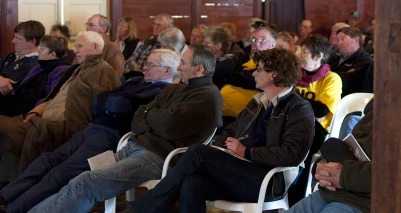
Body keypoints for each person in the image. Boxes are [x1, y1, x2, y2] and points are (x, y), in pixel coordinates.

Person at [28, 44, 223, 213]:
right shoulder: (175, 88)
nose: (178, 68)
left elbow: (168, 128)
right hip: (132, 146)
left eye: (183, 63)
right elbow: (137, 118)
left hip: (157, 157)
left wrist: (150, 115)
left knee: (89, 181)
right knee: (80, 175)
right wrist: (152, 116)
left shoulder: (207, 97)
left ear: (199, 68)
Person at [127, 48, 315, 213]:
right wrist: (224, 146)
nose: (253, 74)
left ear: (273, 74)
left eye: (259, 69)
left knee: (198, 151)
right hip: (241, 169)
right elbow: (229, 130)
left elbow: (292, 154)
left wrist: (246, 152)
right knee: (192, 184)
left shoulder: (298, 108)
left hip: (269, 180)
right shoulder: (258, 101)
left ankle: (144, 209)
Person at [0, 49, 176, 212]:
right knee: (47, 159)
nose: (145, 67)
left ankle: (14, 209)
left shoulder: (161, 91)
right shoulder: (137, 81)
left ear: (167, 71)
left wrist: (111, 103)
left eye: (151, 65)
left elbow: (119, 103)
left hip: (110, 137)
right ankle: (5, 196)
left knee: (61, 172)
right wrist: (111, 104)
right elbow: (99, 100)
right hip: (93, 127)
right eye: (146, 63)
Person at [0, 31, 121, 170]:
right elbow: (54, 97)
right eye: (75, 46)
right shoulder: (78, 69)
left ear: (95, 47)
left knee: (8, 131)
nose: (75, 51)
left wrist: (41, 119)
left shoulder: (102, 72)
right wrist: (35, 112)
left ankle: (10, 184)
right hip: (42, 118)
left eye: (79, 46)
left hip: (56, 127)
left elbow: (84, 116)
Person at [0, 36, 71, 117]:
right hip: (19, 102)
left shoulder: (62, 70)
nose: (38, 51)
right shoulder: (38, 67)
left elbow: (52, 97)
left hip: (33, 108)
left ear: (52, 54)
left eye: (42, 49)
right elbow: (22, 86)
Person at [219, 25, 278, 118]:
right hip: (225, 114)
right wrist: (241, 73)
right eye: (254, 40)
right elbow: (223, 74)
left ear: (273, 44)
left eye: (262, 40)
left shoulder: (274, 63)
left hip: (252, 118)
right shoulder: (244, 58)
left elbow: (251, 80)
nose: (257, 44)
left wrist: (234, 76)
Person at [0, 21, 45, 97]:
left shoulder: (36, 65)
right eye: (15, 37)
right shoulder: (10, 56)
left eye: (18, 38)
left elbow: (10, 88)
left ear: (32, 42)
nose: (13, 41)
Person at [327, 27, 374, 97]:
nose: (339, 43)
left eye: (343, 39)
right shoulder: (333, 57)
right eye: (338, 40)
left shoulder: (365, 60)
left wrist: (328, 75)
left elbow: (348, 82)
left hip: (349, 101)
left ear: (356, 40)